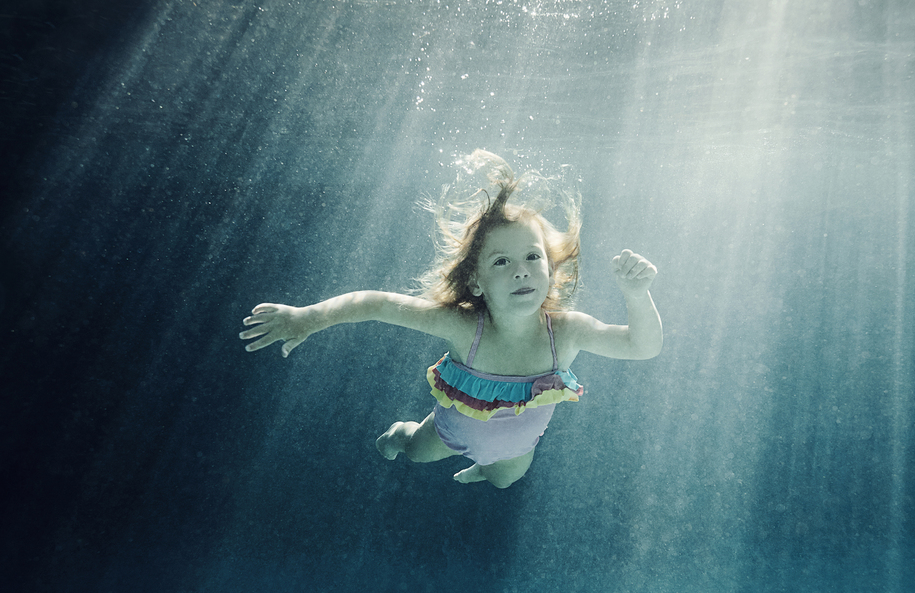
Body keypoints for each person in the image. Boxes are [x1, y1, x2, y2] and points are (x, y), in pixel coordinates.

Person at [239, 151, 662, 488]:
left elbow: (642, 347)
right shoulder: (465, 327)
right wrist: (306, 318)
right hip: (450, 432)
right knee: (417, 452)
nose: (521, 270)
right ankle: (402, 433)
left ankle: (482, 469)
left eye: (533, 257)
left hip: (517, 449)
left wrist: (636, 296)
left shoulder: (567, 332)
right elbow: (375, 304)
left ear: (550, 267)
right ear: (476, 282)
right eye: (502, 261)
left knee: (504, 480)